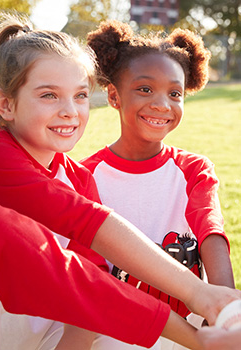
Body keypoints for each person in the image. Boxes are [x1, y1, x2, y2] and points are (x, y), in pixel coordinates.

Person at [0, 28, 239, 350]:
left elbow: (85, 281)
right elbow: (83, 233)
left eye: (81, 96)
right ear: (7, 105)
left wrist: (201, 325)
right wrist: (198, 297)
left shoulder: (69, 180)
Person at [80, 19, 235, 350]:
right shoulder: (85, 176)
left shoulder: (192, 169)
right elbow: (86, 272)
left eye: (174, 93)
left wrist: (227, 310)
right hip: (114, 339)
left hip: (189, 339)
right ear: (113, 96)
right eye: (145, 89)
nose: (162, 104)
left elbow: (210, 231)